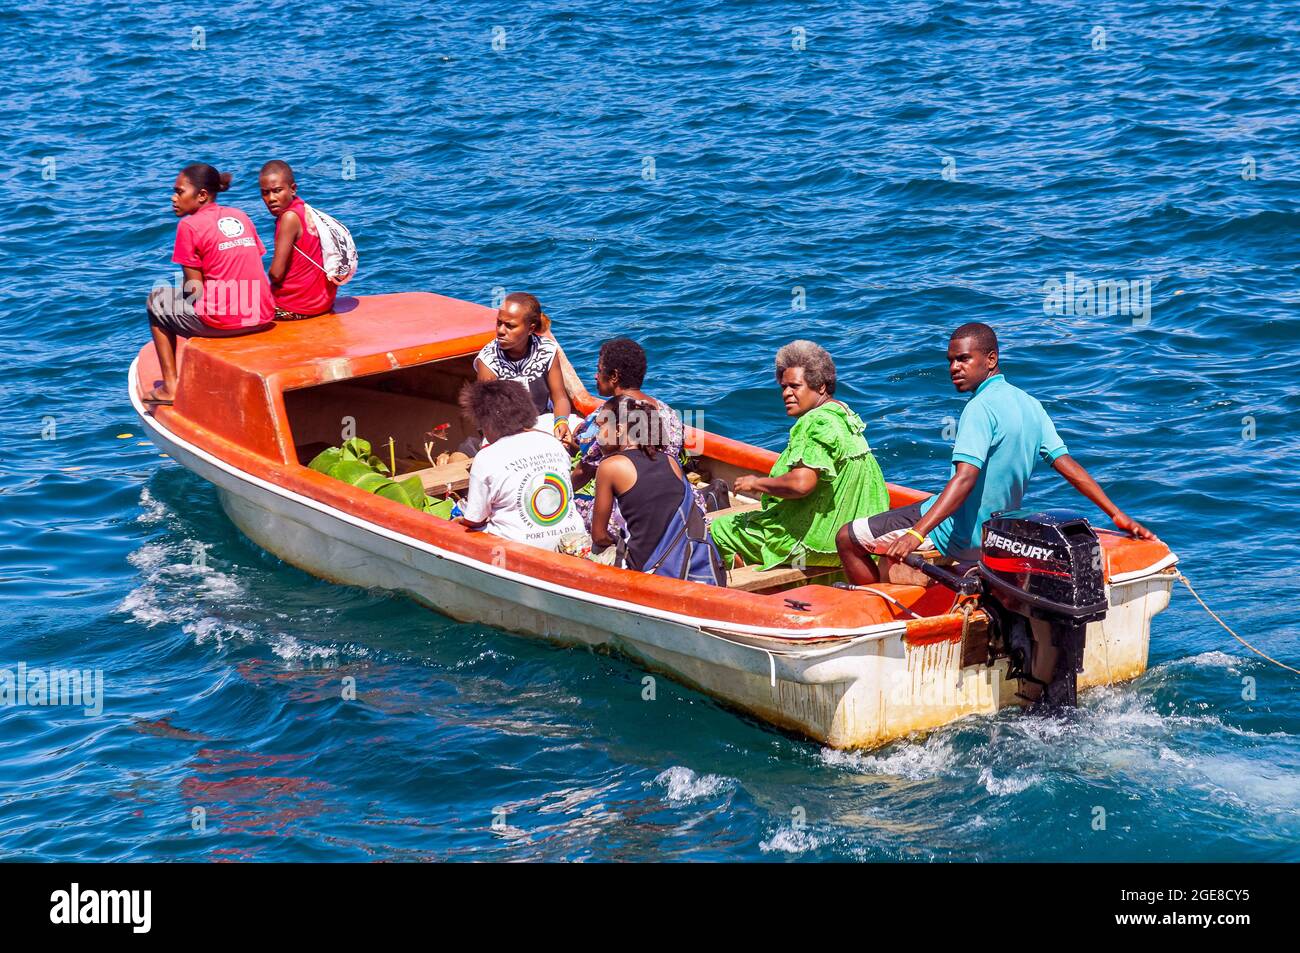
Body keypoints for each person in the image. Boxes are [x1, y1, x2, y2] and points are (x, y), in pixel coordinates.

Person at [836, 322, 1157, 586]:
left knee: (848, 538)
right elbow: (1069, 467)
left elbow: (964, 480)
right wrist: (1117, 515)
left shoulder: (979, 408)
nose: (954, 368)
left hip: (955, 533)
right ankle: (949, 584)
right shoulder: (1031, 405)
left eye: (963, 359)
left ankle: (879, 610)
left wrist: (915, 533)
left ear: (991, 359)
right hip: (994, 535)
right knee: (893, 547)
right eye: (950, 360)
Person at [708, 341, 890, 570]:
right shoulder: (844, 415)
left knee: (719, 529)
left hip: (816, 545)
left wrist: (757, 483)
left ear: (821, 387)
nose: (786, 393)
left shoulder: (815, 422)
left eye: (795, 386)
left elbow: (801, 484)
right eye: (783, 387)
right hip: (856, 543)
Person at [143, 164, 274, 405]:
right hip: (262, 315)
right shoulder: (240, 215)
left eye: (179, 192)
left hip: (227, 322)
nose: (173, 198)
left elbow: (195, 290)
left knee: (157, 300)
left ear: (202, 195)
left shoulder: (189, 226)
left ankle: (170, 386)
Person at [571, 338, 687, 535]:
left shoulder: (609, 417)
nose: (595, 376)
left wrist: (559, 493)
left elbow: (585, 471)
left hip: (632, 512)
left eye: (599, 370)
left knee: (568, 508)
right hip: (674, 505)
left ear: (614, 376)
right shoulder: (667, 412)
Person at [456, 379, 583, 548]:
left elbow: (474, 520)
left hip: (520, 549)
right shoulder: (552, 442)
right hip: (573, 540)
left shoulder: (485, 458)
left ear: (487, 423)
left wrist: (458, 521)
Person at [589, 395, 684, 569]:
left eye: (600, 427)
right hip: (682, 558)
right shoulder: (671, 461)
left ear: (618, 430)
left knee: (569, 543)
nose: (597, 435)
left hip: (644, 567)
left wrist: (616, 541)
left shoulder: (610, 466)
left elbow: (599, 536)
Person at [474, 292, 576, 449]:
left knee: (581, 432)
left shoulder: (547, 350)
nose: (501, 331)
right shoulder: (488, 361)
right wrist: (538, 436)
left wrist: (561, 422)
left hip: (544, 421)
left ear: (531, 328)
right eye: (499, 323)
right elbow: (491, 418)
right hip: (505, 432)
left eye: (510, 326)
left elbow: (560, 397)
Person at [258, 160, 337, 321]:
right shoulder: (305, 210)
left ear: (293, 189)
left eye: (277, 191)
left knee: (239, 305)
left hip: (295, 308)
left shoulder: (288, 218)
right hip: (323, 302)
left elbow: (276, 274)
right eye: (265, 193)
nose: (271, 198)